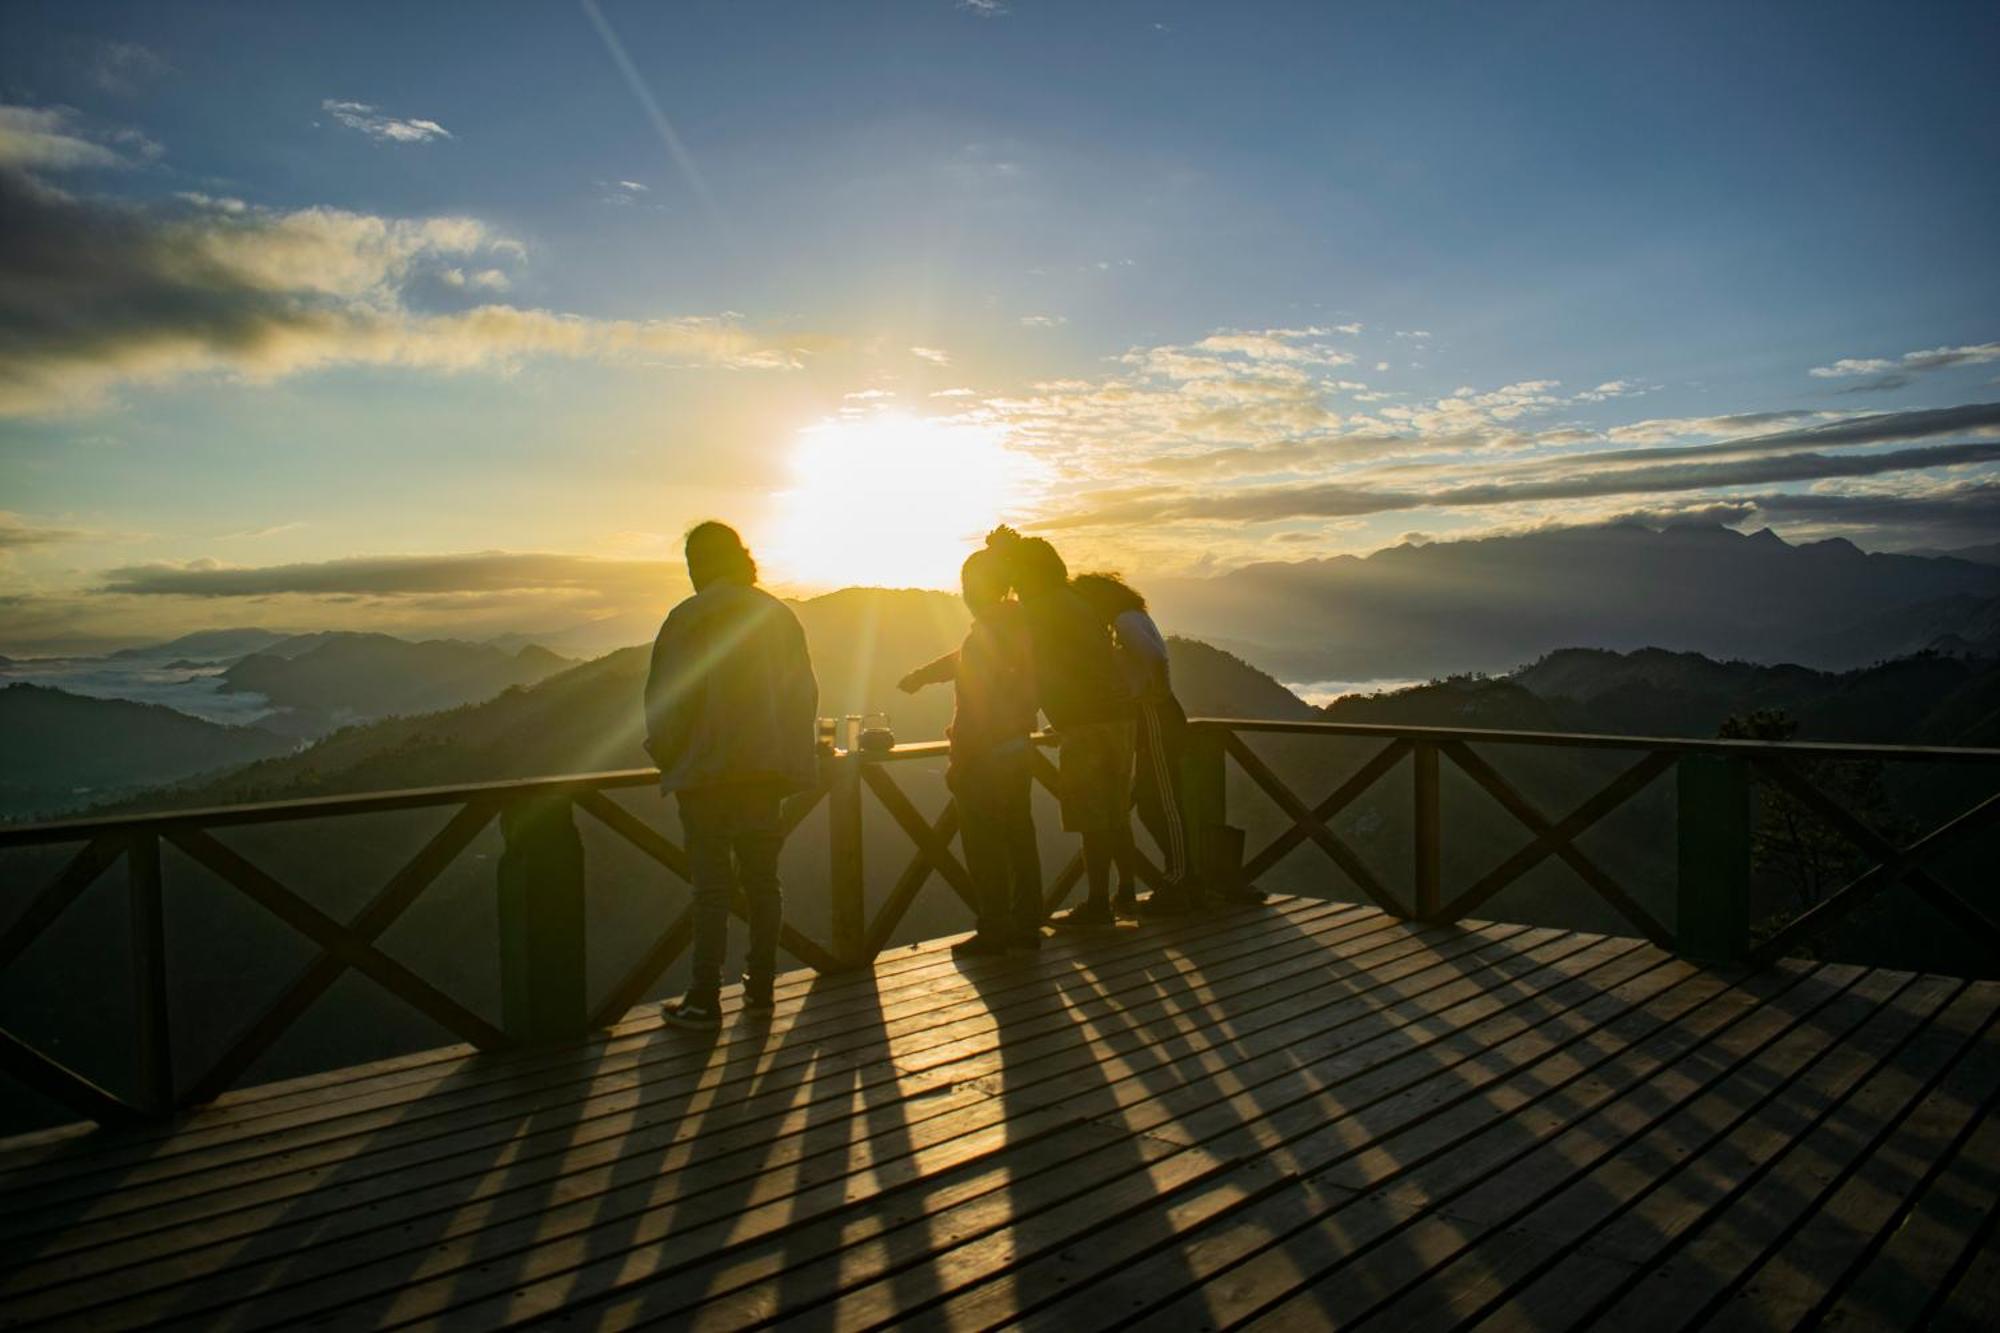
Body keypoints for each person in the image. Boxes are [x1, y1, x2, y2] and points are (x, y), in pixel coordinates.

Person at [644, 521, 819, 1027]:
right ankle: (761, 989)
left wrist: (668, 755)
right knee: (765, 883)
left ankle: (704, 999)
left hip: (705, 776)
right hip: (765, 773)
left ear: (698, 563)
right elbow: (802, 695)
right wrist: (788, 758)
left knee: (711, 889)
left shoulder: (687, 617)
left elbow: (666, 700)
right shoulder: (777, 616)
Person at [985, 527, 1134, 928]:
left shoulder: (1041, 608)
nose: (1012, 580)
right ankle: (1126, 892)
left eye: (1016, 572)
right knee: (1113, 810)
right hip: (1116, 719)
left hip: (1087, 722)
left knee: (1092, 814)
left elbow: (1012, 652)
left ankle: (1099, 903)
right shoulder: (1072, 601)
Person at [898, 548, 1043, 955]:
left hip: (987, 753)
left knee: (984, 845)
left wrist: (962, 762)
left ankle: (996, 927)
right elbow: (965, 661)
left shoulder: (990, 631)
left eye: (967, 584)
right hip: (1018, 748)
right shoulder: (1014, 624)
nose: (964, 593)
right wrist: (923, 676)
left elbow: (979, 698)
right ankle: (1027, 925)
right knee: (1019, 837)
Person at [1073, 572, 1199, 916]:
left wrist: (1154, 694)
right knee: (1149, 801)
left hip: (1155, 716)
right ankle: (1181, 878)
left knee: (1163, 801)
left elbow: (1155, 659)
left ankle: (1179, 879)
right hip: (1153, 715)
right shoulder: (1133, 617)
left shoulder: (1125, 621)